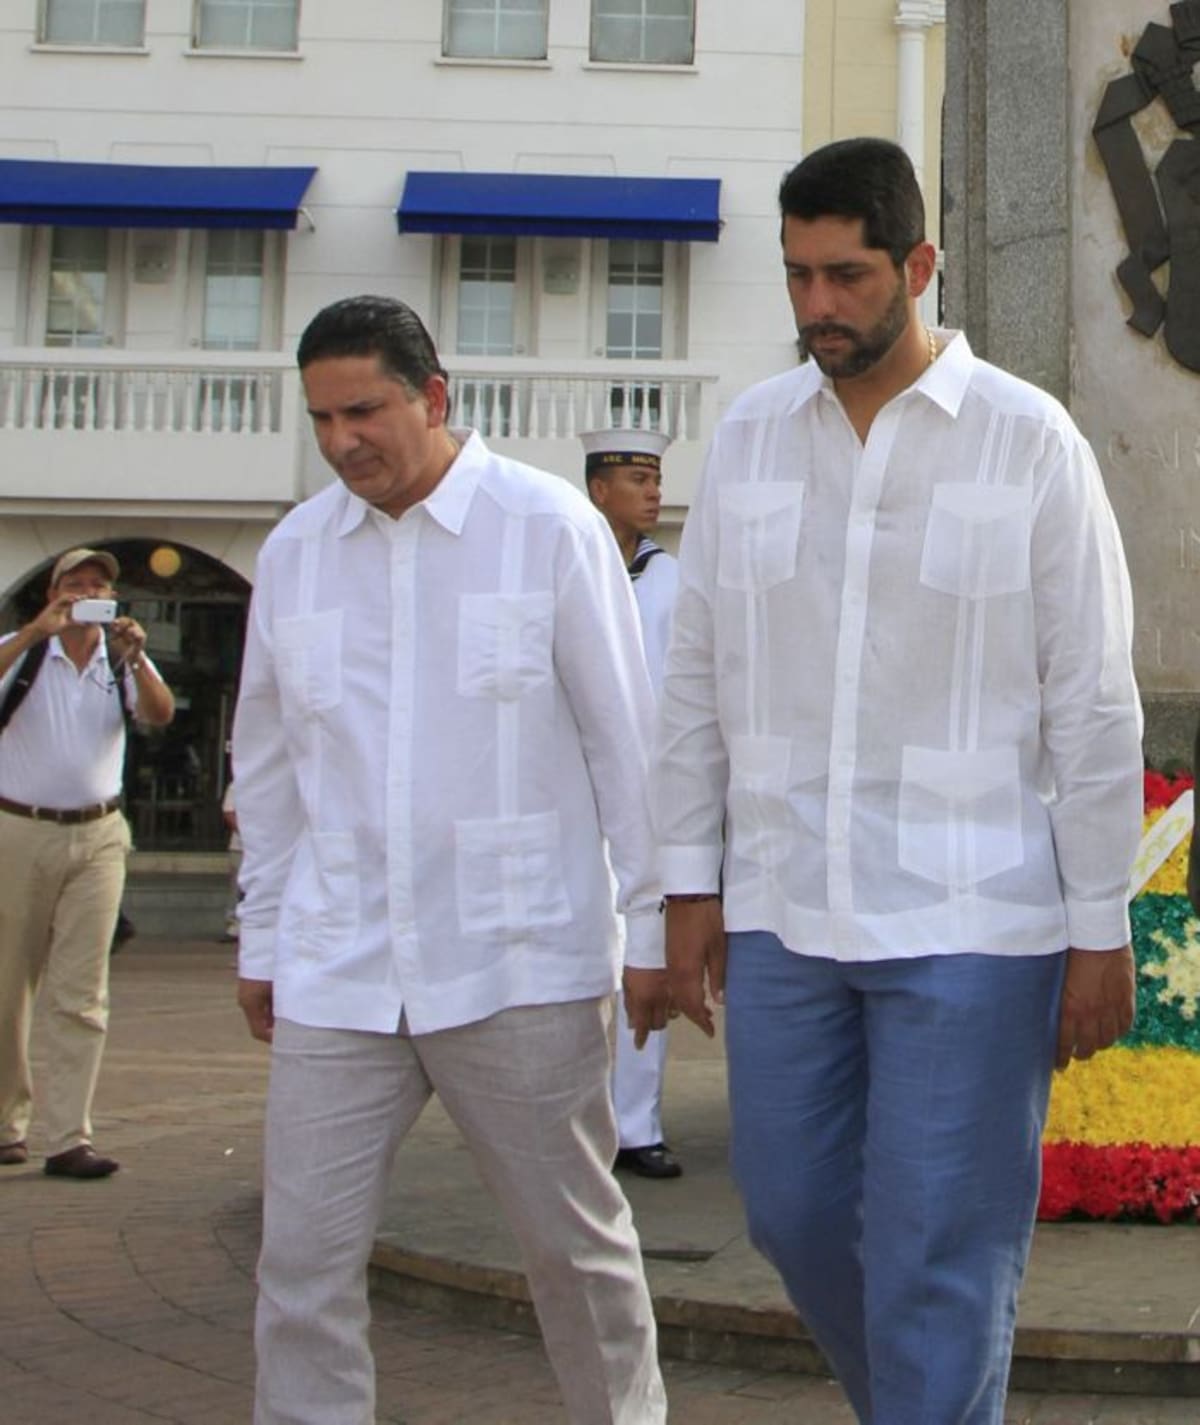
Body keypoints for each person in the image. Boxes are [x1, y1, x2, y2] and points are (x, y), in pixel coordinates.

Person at [654, 138, 1144, 1424]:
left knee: (942, 1249)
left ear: (920, 266)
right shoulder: (753, 439)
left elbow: (1092, 701)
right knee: (793, 1211)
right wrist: (683, 886)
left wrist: (1102, 925)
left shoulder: (1030, 444)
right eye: (799, 276)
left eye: (849, 275)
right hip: (783, 908)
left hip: (972, 914)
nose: (819, 305)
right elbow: (694, 677)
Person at [233, 295, 670, 1424]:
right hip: (341, 967)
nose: (341, 442)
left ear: (435, 397)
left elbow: (627, 746)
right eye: (322, 418)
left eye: (364, 411)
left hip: (517, 960)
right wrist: (265, 937)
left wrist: (657, 927)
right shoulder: (293, 556)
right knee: (301, 1265)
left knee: (575, 1258)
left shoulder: (550, 528)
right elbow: (271, 775)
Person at [0, 548, 175, 1178]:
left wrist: (136, 655)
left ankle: (69, 1136)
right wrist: (35, 632)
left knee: (82, 992)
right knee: (7, 987)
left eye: (97, 586)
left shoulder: (120, 659)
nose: (85, 595)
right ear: (51, 593)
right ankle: (4, 1125)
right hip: (17, 828)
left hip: (99, 833)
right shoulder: (22, 652)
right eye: (73, 585)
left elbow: (159, 715)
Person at [582, 426, 683, 1180]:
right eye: (637, 478)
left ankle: (637, 1121)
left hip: (653, 790)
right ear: (598, 490)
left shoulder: (671, 580)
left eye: (656, 477)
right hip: (578, 791)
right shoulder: (571, 568)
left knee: (648, 952)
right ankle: (579, 1119)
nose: (653, 491)